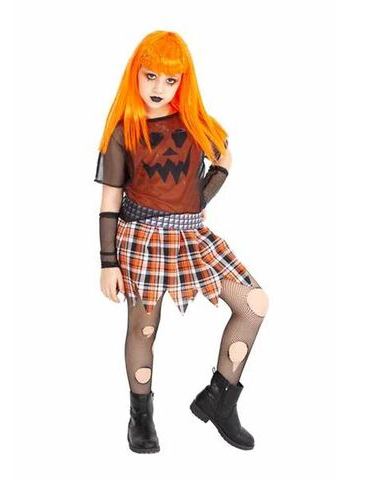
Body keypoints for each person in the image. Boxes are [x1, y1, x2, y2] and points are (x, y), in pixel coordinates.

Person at [95, 31, 269, 453]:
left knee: (253, 303)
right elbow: (110, 201)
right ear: (135, 74)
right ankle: (141, 415)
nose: (159, 87)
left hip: (192, 237)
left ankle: (220, 399)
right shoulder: (124, 130)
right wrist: (107, 262)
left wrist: (198, 200)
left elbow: (222, 158)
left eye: (170, 80)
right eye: (150, 75)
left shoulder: (194, 123)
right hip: (142, 237)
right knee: (144, 326)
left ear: (183, 82)